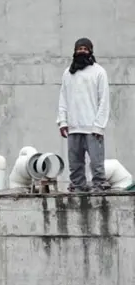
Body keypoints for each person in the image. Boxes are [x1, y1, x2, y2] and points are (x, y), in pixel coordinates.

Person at [57, 37, 110, 193]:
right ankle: (78, 188)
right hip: (73, 127)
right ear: (74, 51)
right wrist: (62, 121)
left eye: (85, 49)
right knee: (75, 163)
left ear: (90, 51)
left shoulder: (99, 72)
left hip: (92, 127)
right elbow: (63, 98)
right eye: (79, 49)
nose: (82, 51)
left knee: (96, 162)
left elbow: (104, 100)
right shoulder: (68, 73)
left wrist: (99, 126)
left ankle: (99, 187)